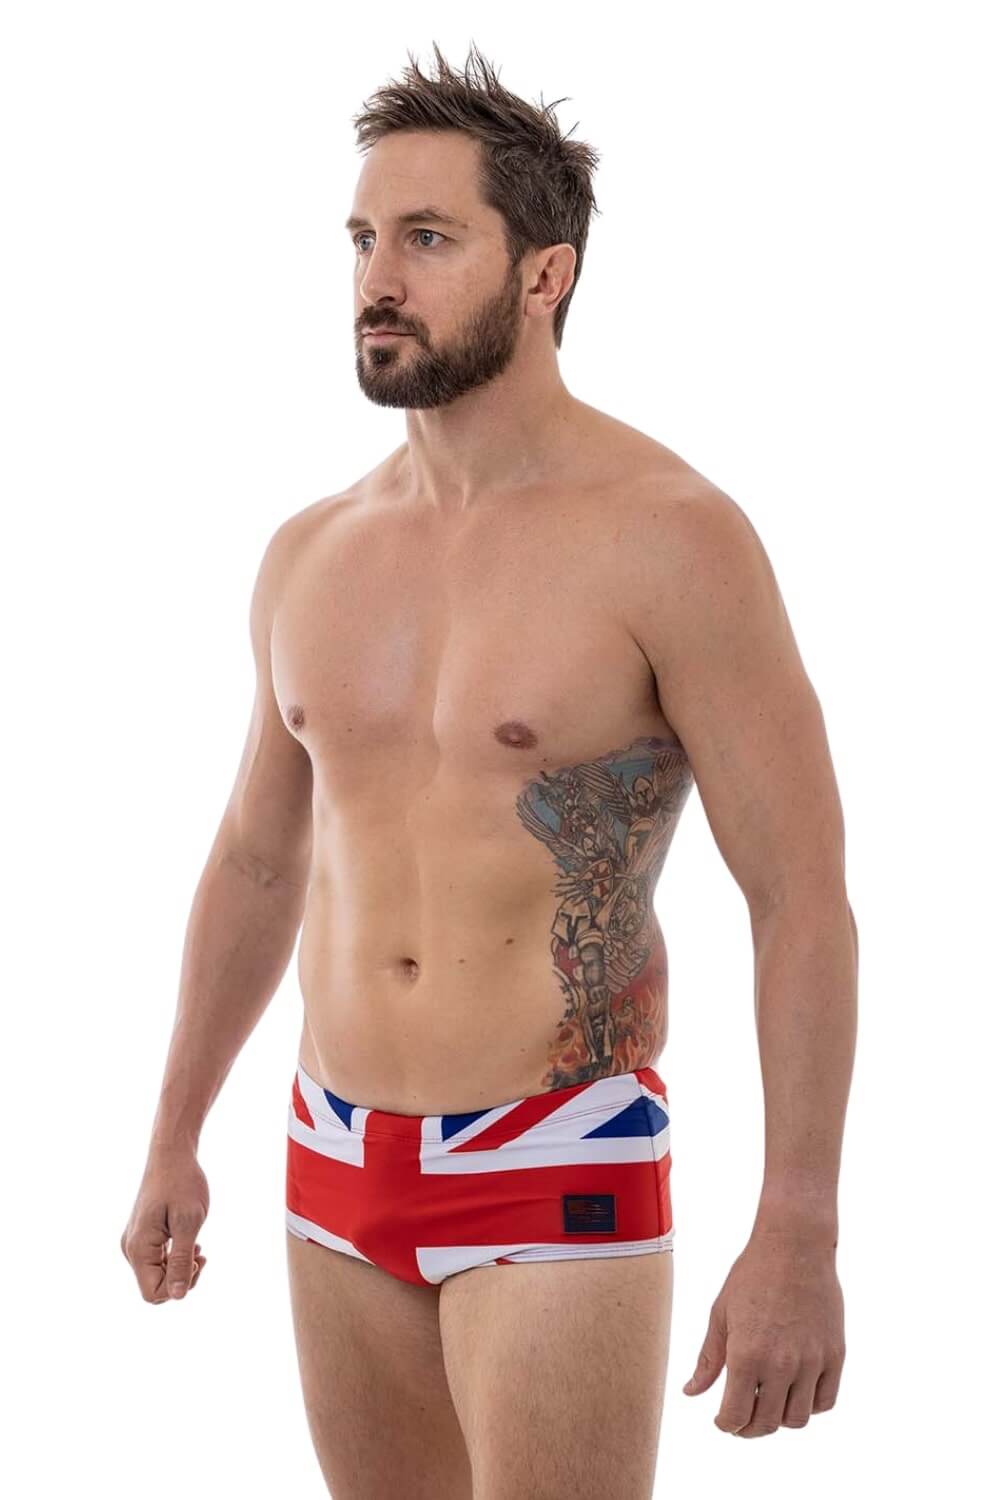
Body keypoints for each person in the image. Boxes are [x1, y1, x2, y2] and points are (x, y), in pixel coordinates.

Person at [121, 40, 856, 1500]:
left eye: (428, 238)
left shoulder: (673, 539)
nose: (377, 278)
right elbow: (260, 860)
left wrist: (799, 1227)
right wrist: (172, 1135)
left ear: (544, 275)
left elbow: (801, 896)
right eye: (361, 239)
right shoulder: (312, 552)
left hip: (555, 1149)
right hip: (332, 1152)